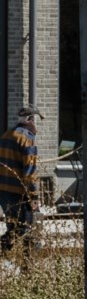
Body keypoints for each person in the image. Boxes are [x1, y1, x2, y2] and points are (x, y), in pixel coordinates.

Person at [0, 107, 35, 254]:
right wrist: (34, 197)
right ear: (31, 120)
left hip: (4, 191)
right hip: (19, 193)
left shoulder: (6, 135)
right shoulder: (28, 138)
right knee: (27, 230)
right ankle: (29, 269)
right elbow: (29, 171)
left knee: (13, 228)